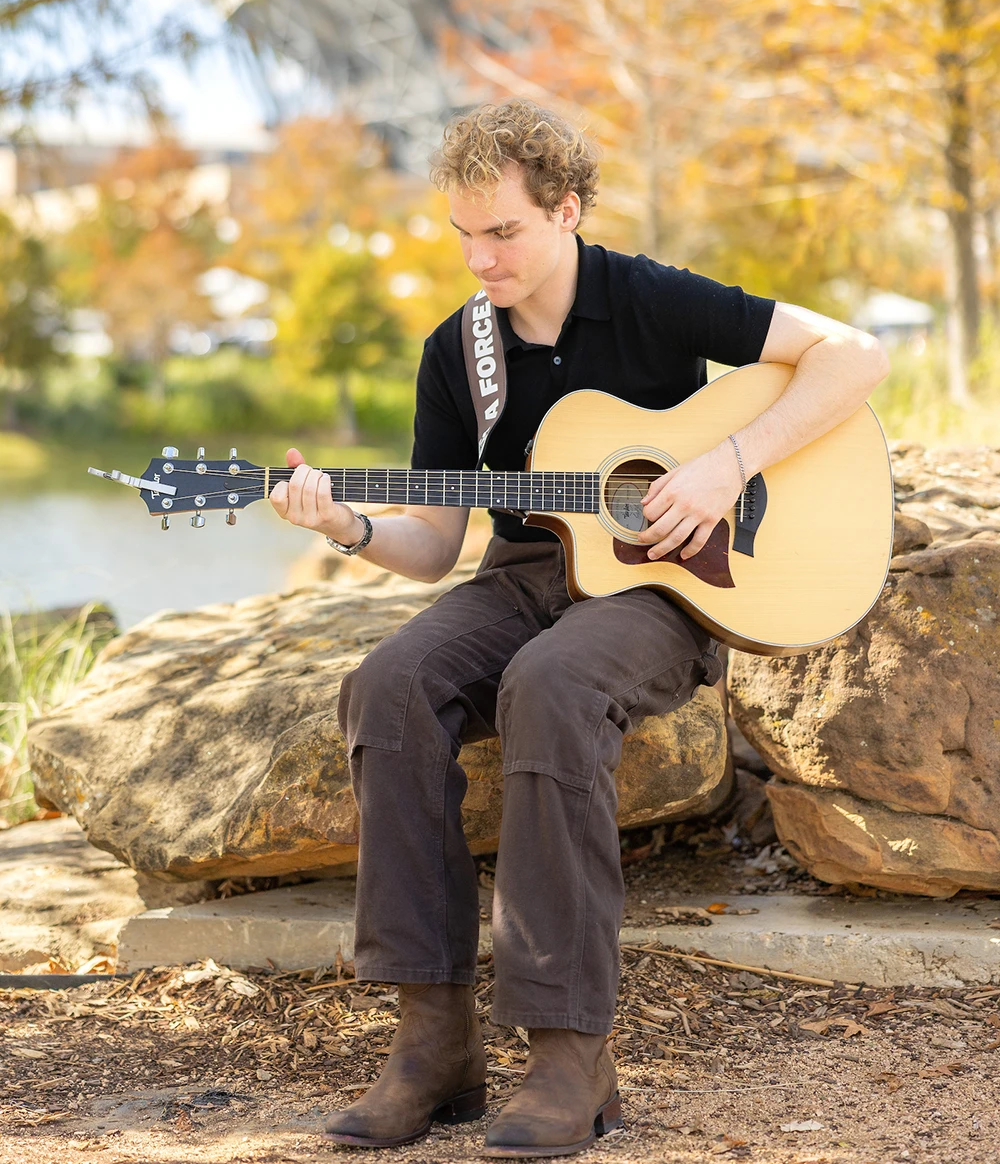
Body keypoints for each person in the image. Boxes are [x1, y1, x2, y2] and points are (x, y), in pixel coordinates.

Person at [269, 100, 889, 1157]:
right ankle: (434, 1043)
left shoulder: (645, 297)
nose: (480, 258)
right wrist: (346, 524)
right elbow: (431, 544)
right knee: (388, 686)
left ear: (565, 211)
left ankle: (570, 1052)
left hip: (661, 592)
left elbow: (853, 355)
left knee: (551, 687)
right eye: (462, 235)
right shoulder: (455, 351)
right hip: (520, 579)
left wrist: (725, 462)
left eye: (501, 232)